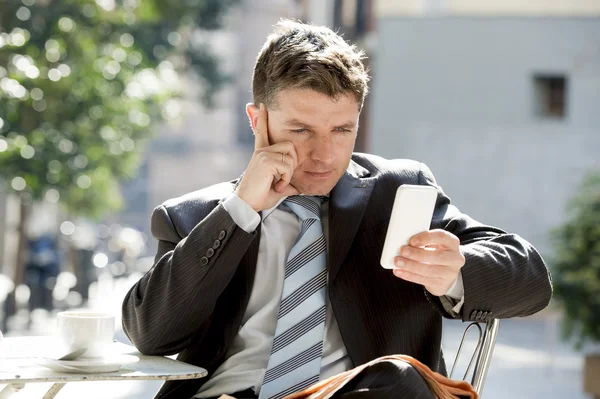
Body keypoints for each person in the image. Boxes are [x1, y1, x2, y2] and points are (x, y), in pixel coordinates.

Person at [122, 20, 552, 399]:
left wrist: (454, 271)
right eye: (300, 130)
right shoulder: (194, 216)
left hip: (365, 393)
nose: (324, 154)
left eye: (342, 130)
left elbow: (531, 280)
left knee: (396, 379)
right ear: (258, 120)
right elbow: (152, 334)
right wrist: (240, 210)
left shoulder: (396, 191)